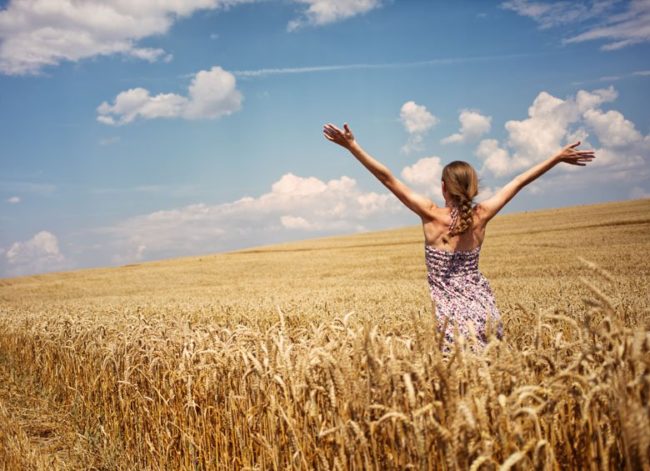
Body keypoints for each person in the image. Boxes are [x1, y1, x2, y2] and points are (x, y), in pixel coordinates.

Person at [323, 122, 595, 350]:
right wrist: (556, 157)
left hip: (451, 321)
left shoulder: (431, 216)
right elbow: (519, 181)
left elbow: (388, 179)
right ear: (473, 187)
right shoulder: (482, 214)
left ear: (443, 187)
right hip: (485, 314)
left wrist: (352, 147)